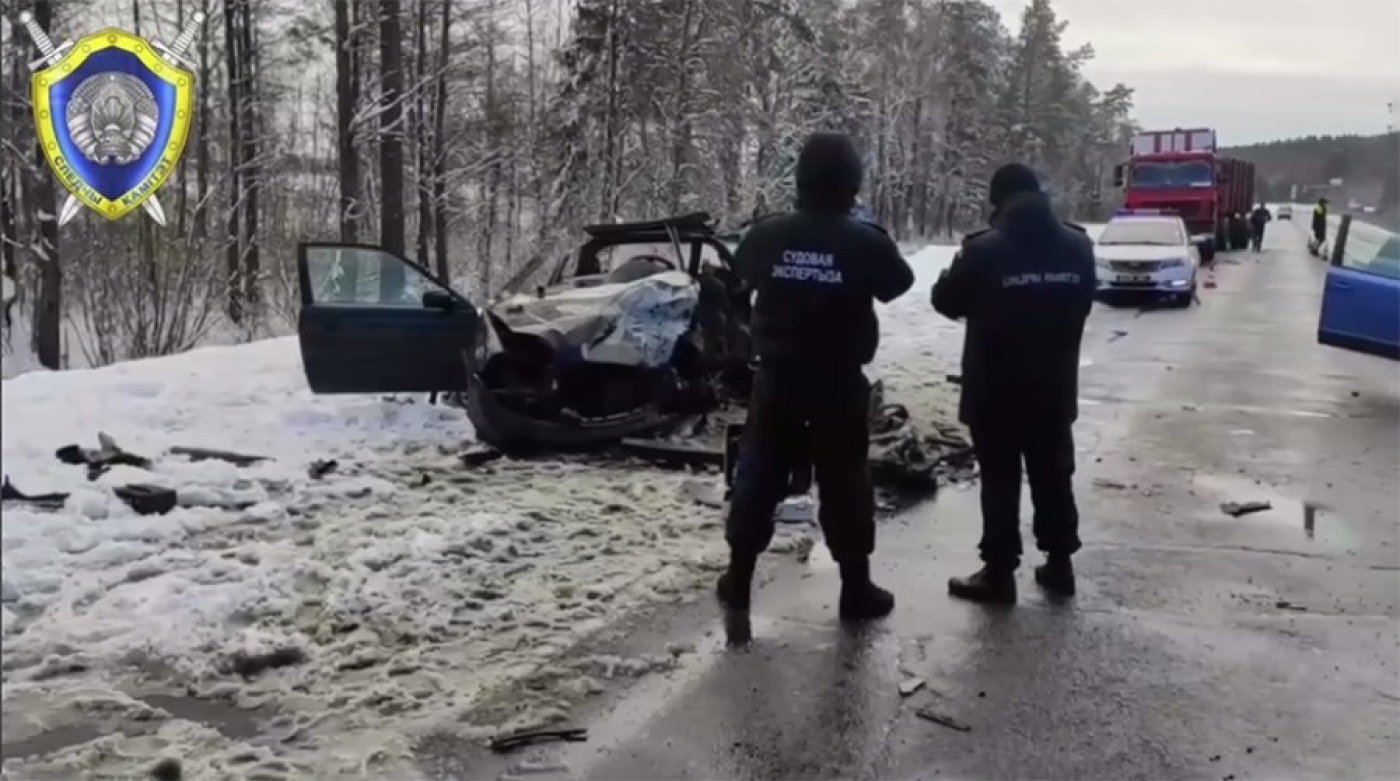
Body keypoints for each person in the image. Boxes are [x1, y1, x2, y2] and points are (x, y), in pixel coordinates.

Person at [719, 131, 915, 620]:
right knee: (846, 480)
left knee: (759, 475)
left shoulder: (767, 234)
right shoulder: (865, 242)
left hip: (778, 379)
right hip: (838, 382)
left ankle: (739, 578)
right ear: (852, 182)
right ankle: (855, 588)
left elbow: (738, 276)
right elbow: (900, 283)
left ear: (800, 178)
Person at [930, 163, 1096, 604]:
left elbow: (946, 301)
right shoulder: (1078, 245)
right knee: (1054, 474)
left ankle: (999, 573)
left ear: (996, 202)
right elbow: (1084, 303)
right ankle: (1060, 565)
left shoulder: (983, 251)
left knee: (1000, 480)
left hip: (995, 391)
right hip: (1053, 388)